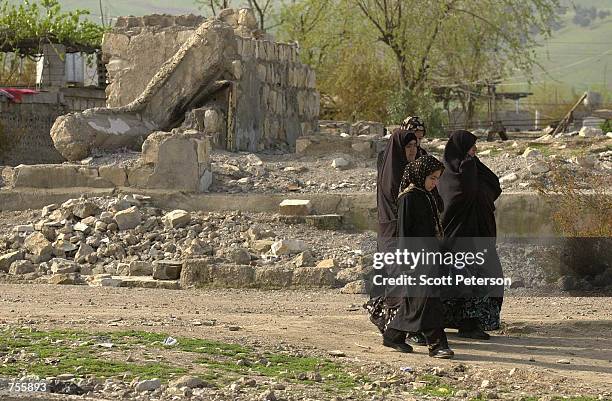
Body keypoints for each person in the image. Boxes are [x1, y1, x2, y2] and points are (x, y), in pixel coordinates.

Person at [383, 155, 454, 359]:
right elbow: (404, 233)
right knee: (429, 300)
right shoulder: (408, 197)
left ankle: (393, 335)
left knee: (416, 301)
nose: (435, 182)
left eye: (438, 178)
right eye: (432, 178)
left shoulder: (427, 194)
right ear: (420, 175)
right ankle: (437, 344)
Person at [436, 130, 504, 339]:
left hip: (477, 235)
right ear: (461, 147)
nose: (475, 149)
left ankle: (473, 323)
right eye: (471, 146)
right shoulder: (451, 173)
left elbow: (493, 185)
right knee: (462, 280)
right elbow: (452, 201)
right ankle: (465, 324)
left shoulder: (473, 167)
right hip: (457, 236)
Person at [366, 128, 419, 352]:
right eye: (408, 147)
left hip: (405, 234)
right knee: (401, 281)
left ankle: (395, 327)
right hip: (394, 234)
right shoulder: (393, 174)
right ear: (399, 148)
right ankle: (392, 333)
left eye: (415, 146)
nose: (413, 151)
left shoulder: (408, 170)